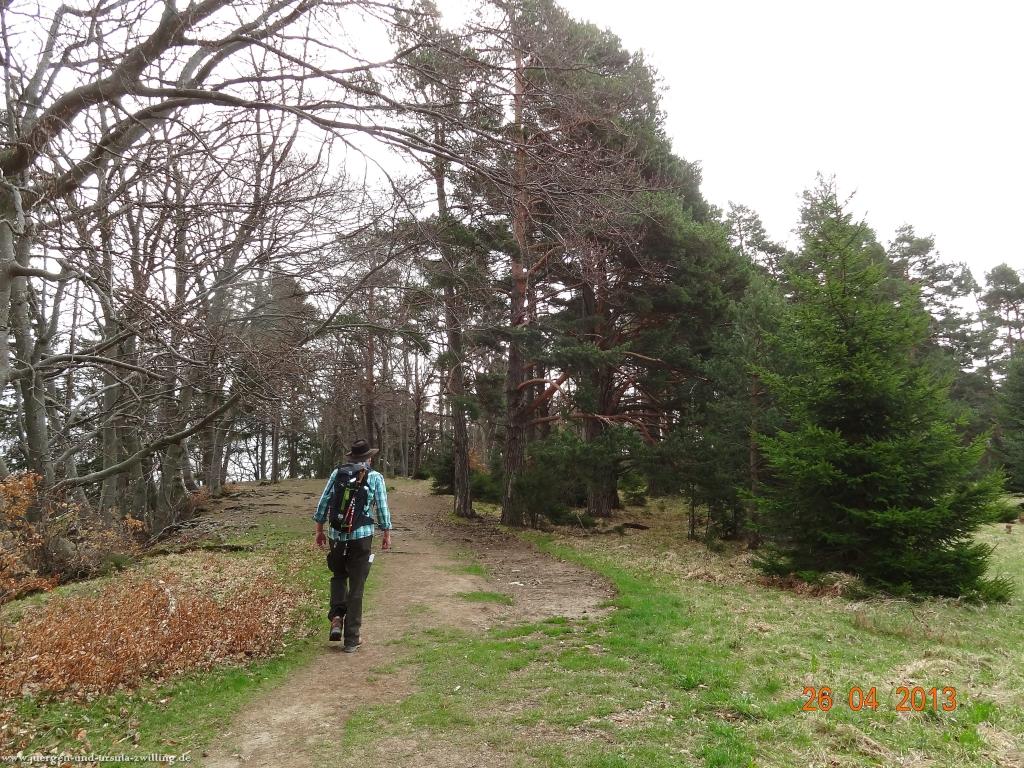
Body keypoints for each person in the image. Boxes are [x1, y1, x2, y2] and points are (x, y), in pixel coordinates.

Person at [313, 438, 392, 652]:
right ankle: (351, 639)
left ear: (352, 457)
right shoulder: (375, 477)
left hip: (336, 535)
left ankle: (337, 616)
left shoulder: (337, 473)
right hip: (362, 536)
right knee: (357, 585)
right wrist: (386, 532)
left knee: (339, 575)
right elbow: (382, 507)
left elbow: (324, 501)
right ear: (369, 458)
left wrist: (319, 530)